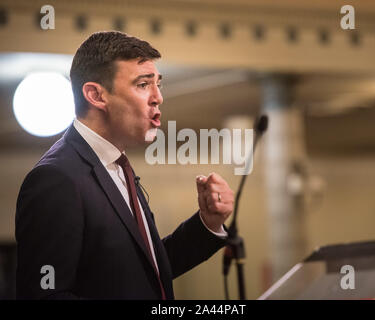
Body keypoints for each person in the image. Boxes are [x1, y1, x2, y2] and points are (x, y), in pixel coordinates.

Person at [15, 31, 234, 300]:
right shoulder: (56, 179)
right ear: (96, 95)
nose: (157, 97)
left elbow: (141, 273)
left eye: (158, 84)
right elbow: (45, 296)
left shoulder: (117, 165)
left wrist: (207, 224)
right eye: (143, 85)